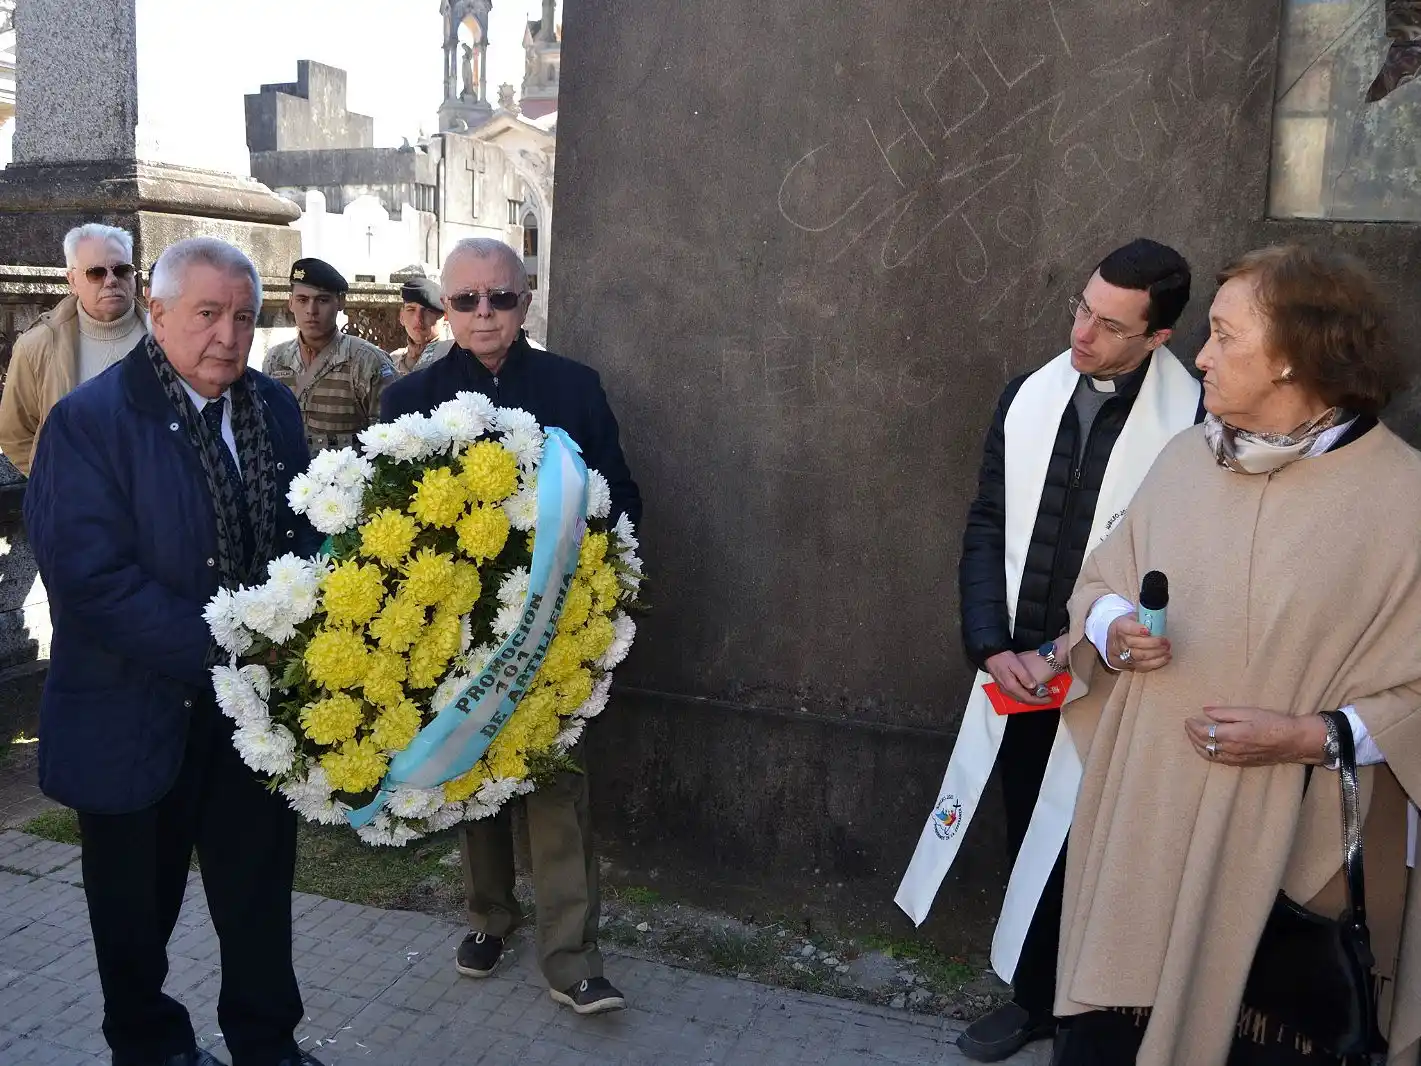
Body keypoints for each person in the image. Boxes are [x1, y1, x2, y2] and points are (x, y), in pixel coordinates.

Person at [1045, 244, 1420, 1065]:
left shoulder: (1404, 500)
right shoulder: (1186, 457)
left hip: (1288, 855)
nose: (1200, 358)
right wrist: (1110, 628)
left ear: (1292, 355)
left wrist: (1312, 736)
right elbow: (1098, 581)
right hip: (1146, 826)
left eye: (1223, 336)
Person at [896, 239, 1202, 1062]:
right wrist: (989, 645)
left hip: (1118, 676)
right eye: (1080, 308)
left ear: (1159, 337)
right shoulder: (1027, 396)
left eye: (1109, 325)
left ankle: (1097, 1010)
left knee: (1105, 847)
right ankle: (1034, 998)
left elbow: (1185, 564)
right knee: (1026, 823)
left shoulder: (1194, 423)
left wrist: (1073, 648)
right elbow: (988, 519)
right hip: (1019, 669)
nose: (1081, 335)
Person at [24, 238, 325, 1066]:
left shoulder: (275, 407)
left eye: (244, 316)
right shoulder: (88, 422)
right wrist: (239, 649)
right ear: (156, 315)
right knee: (133, 920)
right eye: (207, 314)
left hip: (250, 725)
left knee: (257, 900)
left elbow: (300, 536)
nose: (228, 334)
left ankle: (268, 1046)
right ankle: (152, 1049)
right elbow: (91, 580)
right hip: (131, 716)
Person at [381, 237, 640, 1015]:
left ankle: (572, 957)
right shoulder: (408, 403)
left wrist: (589, 574)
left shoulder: (573, 388)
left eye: (501, 297)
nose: (485, 312)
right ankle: (489, 916)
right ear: (445, 308)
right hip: (456, 634)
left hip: (555, 631)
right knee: (470, 778)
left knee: (556, 788)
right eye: (466, 299)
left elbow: (621, 496)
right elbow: (386, 524)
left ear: (526, 301)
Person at [0, 223, 146, 475]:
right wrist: (57, 482)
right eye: (96, 273)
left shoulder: (166, 337)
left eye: (122, 270)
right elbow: (14, 433)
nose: (111, 280)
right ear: (72, 281)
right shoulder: (37, 346)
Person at [263, 258, 394, 454]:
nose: (311, 310)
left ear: (340, 302)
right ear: (290, 303)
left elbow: (389, 438)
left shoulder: (367, 361)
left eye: (322, 300)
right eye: (302, 300)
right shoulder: (276, 360)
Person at [389, 276, 453, 375]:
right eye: (411, 309)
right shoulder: (392, 362)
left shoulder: (455, 356)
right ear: (401, 316)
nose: (418, 319)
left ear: (445, 317)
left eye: (428, 311)